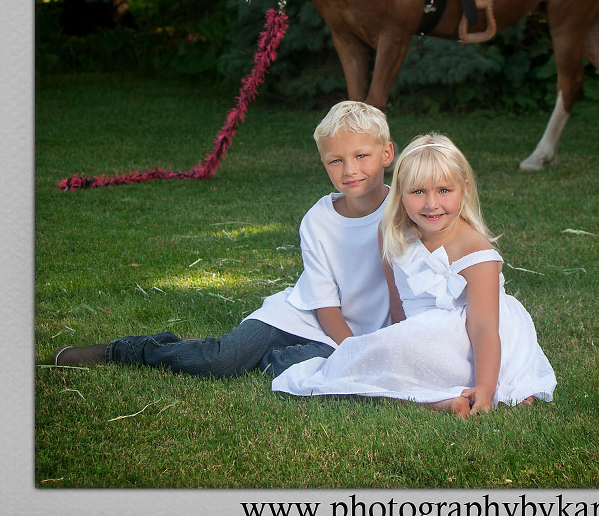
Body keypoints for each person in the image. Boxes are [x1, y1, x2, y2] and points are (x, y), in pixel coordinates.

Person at [53, 101, 395, 378]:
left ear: (387, 153)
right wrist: (355, 351)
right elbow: (325, 307)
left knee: (291, 366)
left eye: (361, 156)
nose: (349, 170)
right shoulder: (318, 220)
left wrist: (367, 348)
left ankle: (244, 352)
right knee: (218, 363)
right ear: (323, 163)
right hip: (299, 318)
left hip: (353, 337)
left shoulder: (404, 212)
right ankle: (122, 351)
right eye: (336, 160)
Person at [272, 132, 557, 416]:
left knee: (387, 364)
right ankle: (439, 400)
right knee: (382, 361)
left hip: (477, 341)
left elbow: (483, 327)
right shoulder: (393, 234)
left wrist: (485, 386)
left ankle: (486, 385)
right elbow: (398, 304)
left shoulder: (476, 249)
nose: (431, 204)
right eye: (418, 192)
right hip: (425, 337)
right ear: (400, 193)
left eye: (444, 191)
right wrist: (402, 343)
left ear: (465, 188)